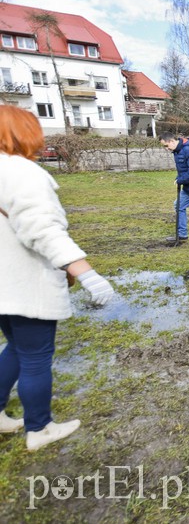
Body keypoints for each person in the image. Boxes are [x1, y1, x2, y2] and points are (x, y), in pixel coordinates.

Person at [0, 105, 114, 451]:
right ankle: (40, 428)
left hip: (3, 287)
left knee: (16, 348)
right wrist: (86, 273)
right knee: (35, 355)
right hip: (23, 284)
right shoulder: (22, 173)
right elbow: (43, 230)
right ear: (26, 133)